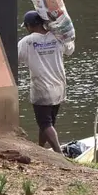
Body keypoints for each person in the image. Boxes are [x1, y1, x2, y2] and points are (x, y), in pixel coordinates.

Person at [17, 10, 75, 153]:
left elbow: (13, 59)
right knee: (48, 123)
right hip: (59, 86)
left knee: (45, 123)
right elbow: (70, 50)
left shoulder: (27, 42)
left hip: (42, 88)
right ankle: (41, 150)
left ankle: (58, 154)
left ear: (30, 26)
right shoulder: (57, 37)